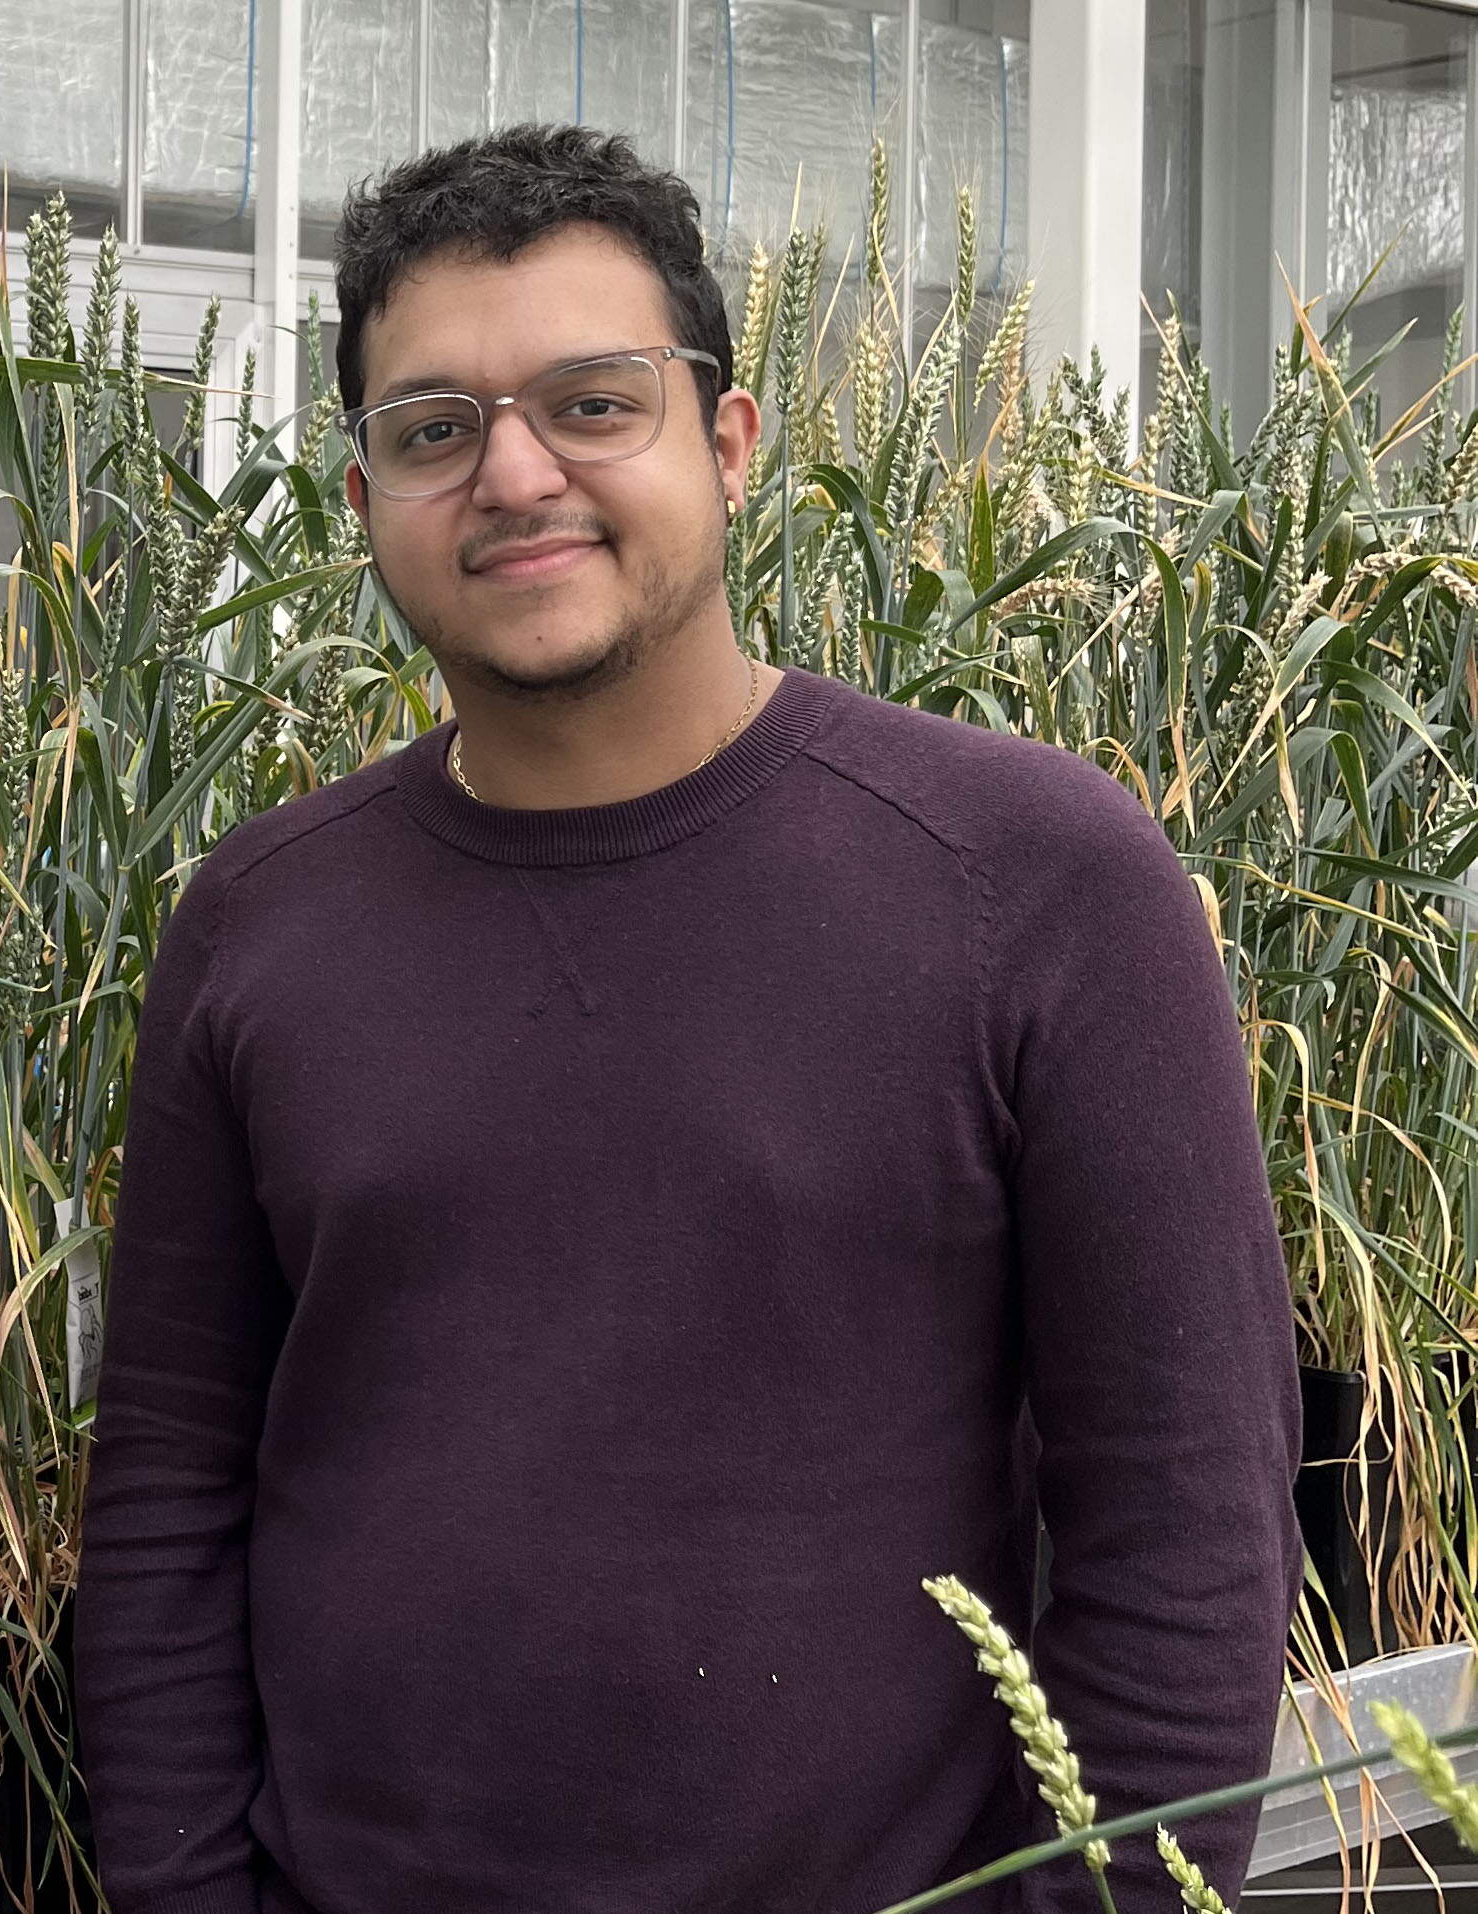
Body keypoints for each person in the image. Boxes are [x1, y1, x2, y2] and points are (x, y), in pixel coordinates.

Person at [73, 125, 1298, 1914]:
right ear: (360, 502)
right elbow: (168, 1489)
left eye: (591, 400)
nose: (511, 474)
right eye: (431, 428)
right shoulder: (257, 926)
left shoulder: (1035, 883)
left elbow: (1186, 1524)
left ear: (725, 442)